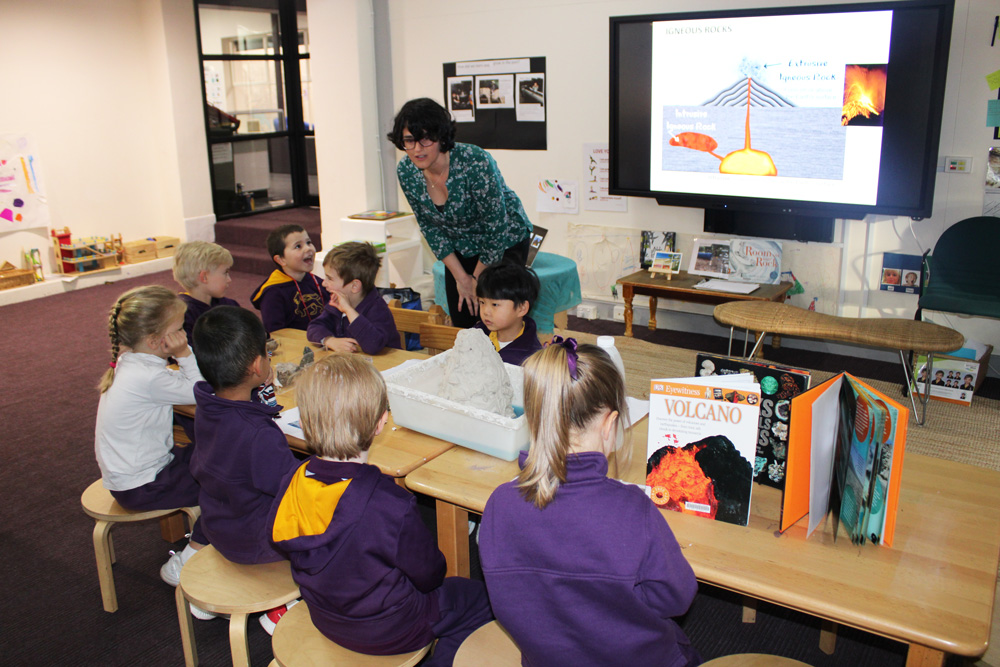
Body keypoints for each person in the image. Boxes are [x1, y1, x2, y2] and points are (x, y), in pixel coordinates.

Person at [479, 339, 701, 666]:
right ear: (610, 425)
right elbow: (676, 597)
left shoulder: (499, 505)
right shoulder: (632, 509)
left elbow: (510, 598)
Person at [267, 355, 493, 665]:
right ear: (381, 423)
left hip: (325, 616)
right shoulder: (389, 503)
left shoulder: (292, 482)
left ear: (305, 423)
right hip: (391, 629)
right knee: (480, 600)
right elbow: (429, 575)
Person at [190, 306, 301, 631]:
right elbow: (293, 489)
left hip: (218, 526)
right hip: (255, 542)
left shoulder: (208, 405)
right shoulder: (258, 435)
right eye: (266, 353)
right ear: (257, 366)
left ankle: (214, 591)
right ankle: (282, 608)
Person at [94, 285, 208, 586]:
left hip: (138, 473)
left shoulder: (131, 363)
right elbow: (201, 391)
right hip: (144, 484)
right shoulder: (147, 377)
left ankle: (207, 541)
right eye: (179, 329)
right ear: (155, 340)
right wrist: (184, 354)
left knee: (217, 459)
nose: (183, 334)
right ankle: (187, 560)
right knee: (227, 484)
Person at [389, 97, 533, 328]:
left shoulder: (474, 161)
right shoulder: (406, 172)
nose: (417, 149)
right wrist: (462, 278)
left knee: (499, 317)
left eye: (425, 139)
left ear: (440, 136)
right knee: (464, 320)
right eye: (409, 141)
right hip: (460, 247)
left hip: (504, 240)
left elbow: (495, 227)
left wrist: (477, 278)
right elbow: (429, 227)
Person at [305, 241, 400, 354]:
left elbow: (374, 345)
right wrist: (330, 341)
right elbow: (314, 327)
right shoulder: (336, 303)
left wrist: (349, 310)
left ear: (354, 286)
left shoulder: (378, 309)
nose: (324, 283)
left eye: (330, 278)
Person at [251, 224, 329, 333]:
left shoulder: (317, 281)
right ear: (281, 260)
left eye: (308, 242)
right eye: (298, 246)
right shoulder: (273, 293)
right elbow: (276, 333)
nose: (308, 248)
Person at [473, 262, 542, 366]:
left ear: (521, 308)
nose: (485, 312)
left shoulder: (531, 357)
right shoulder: (477, 334)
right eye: (482, 302)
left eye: (495, 304)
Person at [172, 240, 240, 345]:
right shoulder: (182, 316)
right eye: (225, 273)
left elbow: (256, 337)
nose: (229, 279)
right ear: (204, 277)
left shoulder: (230, 305)